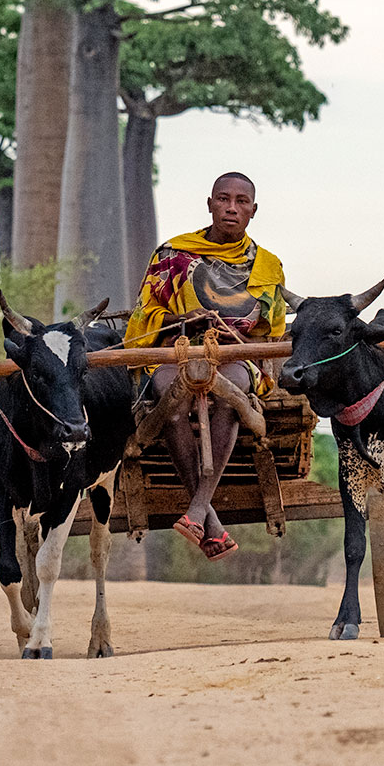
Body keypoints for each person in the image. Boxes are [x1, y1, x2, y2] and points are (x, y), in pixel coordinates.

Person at [123, 171, 288, 561]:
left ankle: (198, 510)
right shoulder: (172, 255)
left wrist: (235, 342)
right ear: (210, 204)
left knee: (231, 394)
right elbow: (144, 314)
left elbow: (272, 334)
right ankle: (207, 519)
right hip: (174, 351)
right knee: (170, 400)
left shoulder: (268, 266)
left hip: (235, 356)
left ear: (253, 210)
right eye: (223, 199)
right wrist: (184, 319)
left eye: (241, 202)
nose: (231, 208)